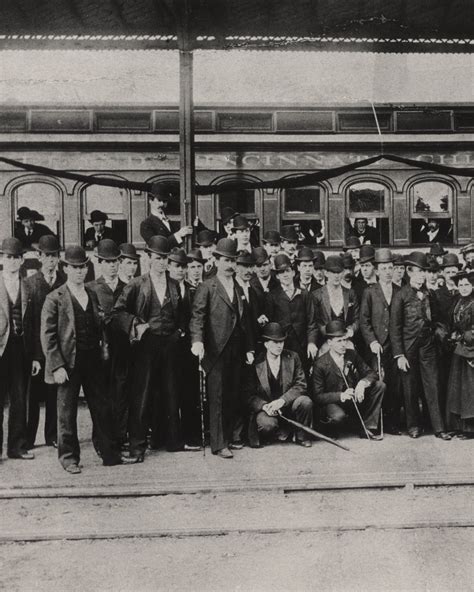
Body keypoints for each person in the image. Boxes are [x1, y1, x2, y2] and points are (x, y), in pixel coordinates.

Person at [41, 245, 131, 473]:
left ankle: (109, 453)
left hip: (92, 361)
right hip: (68, 363)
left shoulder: (91, 293)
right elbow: (48, 336)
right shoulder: (55, 298)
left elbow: (100, 323)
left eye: (82, 267)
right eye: (74, 268)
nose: (79, 272)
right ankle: (69, 458)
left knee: (102, 408)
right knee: (66, 411)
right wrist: (57, 366)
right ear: (66, 268)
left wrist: (104, 348)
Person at [111, 236, 185, 461]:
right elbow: (117, 312)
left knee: (172, 393)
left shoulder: (174, 285)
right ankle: (137, 447)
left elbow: (182, 314)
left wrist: (179, 332)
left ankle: (171, 441)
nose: (161, 262)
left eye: (164, 258)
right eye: (157, 258)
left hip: (169, 345)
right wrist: (136, 324)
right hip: (146, 346)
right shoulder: (137, 284)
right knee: (141, 396)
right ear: (149, 259)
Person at [190, 238, 255, 458]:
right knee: (216, 397)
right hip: (215, 350)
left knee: (232, 395)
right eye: (225, 260)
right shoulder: (207, 286)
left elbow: (244, 320)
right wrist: (197, 341)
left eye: (233, 261)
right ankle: (218, 444)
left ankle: (231, 436)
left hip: (235, 350)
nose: (229, 265)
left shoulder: (238, 287)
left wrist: (248, 348)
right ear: (216, 261)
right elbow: (197, 316)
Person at [390, 252, 451, 440]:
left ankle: (438, 427)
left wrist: (438, 333)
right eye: (416, 272)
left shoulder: (429, 293)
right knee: (410, 387)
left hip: (428, 346)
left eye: (423, 272)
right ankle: (413, 425)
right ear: (409, 273)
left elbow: (438, 319)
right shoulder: (400, 295)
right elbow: (395, 327)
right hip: (408, 348)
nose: (420, 276)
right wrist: (399, 355)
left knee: (432, 384)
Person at [24, 235, 65, 450]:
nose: (51, 260)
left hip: (58, 350)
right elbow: (29, 324)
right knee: (33, 396)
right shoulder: (30, 284)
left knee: (55, 394)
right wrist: (34, 356)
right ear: (39, 257)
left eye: (55, 256)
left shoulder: (64, 281)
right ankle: (28, 439)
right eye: (47, 256)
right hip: (38, 353)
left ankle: (53, 435)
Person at [312, 320, 385, 440]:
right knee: (338, 416)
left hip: (353, 400)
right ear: (329, 342)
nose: (343, 344)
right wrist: (341, 395)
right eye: (339, 341)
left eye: (345, 340)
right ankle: (331, 430)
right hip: (333, 403)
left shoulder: (352, 354)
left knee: (379, 386)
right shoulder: (320, 364)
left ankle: (366, 427)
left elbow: (371, 373)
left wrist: (362, 383)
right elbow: (318, 396)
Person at [245, 322, 313, 448]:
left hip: (289, 406)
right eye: (275, 342)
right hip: (269, 410)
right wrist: (264, 406)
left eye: (281, 342)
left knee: (305, 402)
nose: (279, 346)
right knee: (266, 425)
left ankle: (302, 436)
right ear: (266, 344)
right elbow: (249, 395)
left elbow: (301, 385)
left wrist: (282, 401)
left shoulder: (293, 357)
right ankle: (279, 432)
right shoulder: (256, 362)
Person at [87, 239, 128, 449]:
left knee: (121, 393)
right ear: (99, 262)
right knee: (101, 396)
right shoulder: (90, 289)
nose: (112, 265)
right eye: (107, 261)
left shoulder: (128, 287)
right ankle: (102, 441)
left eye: (115, 261)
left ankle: (121, 438)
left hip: (123, 351)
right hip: (100, 351)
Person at [360, 248, 402, 433]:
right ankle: (373, 422)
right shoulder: (370, 292)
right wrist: (372, 342)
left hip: (396, 346)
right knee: (378, 382)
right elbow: (364, 320)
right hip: (377, 346)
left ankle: (392, 422)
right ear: (376, 271)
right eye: (383, 268)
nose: (387, 271)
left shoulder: (401, 291)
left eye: (390, 267)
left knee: (395, 384)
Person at [0, 237, 34, 460]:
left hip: (20, 348)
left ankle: (17, 447)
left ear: (22, 260)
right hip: (0, 348)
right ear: (2, 259)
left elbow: (34, 322)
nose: (12, 261)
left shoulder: (28, 286)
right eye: (7, 257)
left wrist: (36, 356)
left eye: (16, 258)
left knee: (20, 398)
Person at [264, 254, 318, 380]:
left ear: (293, 272)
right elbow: (270, 325)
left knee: (303, 377)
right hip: (283, 346)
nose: (285, 275)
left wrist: (311, 342)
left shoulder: (305, 295)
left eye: (288, 270)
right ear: (277, 276)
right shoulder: (272, 297)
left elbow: (312, 322)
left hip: (303, 346)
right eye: (281, 272)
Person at [446, 270, 474, 438]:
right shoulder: (458, 301)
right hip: (460, 350)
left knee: (470, 388)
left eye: (467, 285)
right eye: (461, 285)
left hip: (471, 350)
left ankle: (471, 429)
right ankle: (461, 427)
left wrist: (466, 336)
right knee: (459, 389)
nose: (463, 288)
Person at [312, 255, 359, 352]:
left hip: (346, 341)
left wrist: (351, 330)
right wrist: (330, 334)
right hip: (326, 341)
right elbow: (316, 321)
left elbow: (357, 318)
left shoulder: (350, 293)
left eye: (339, 272)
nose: (336, 276)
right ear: (326, 273)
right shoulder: (317, 295)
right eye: (333, 272)